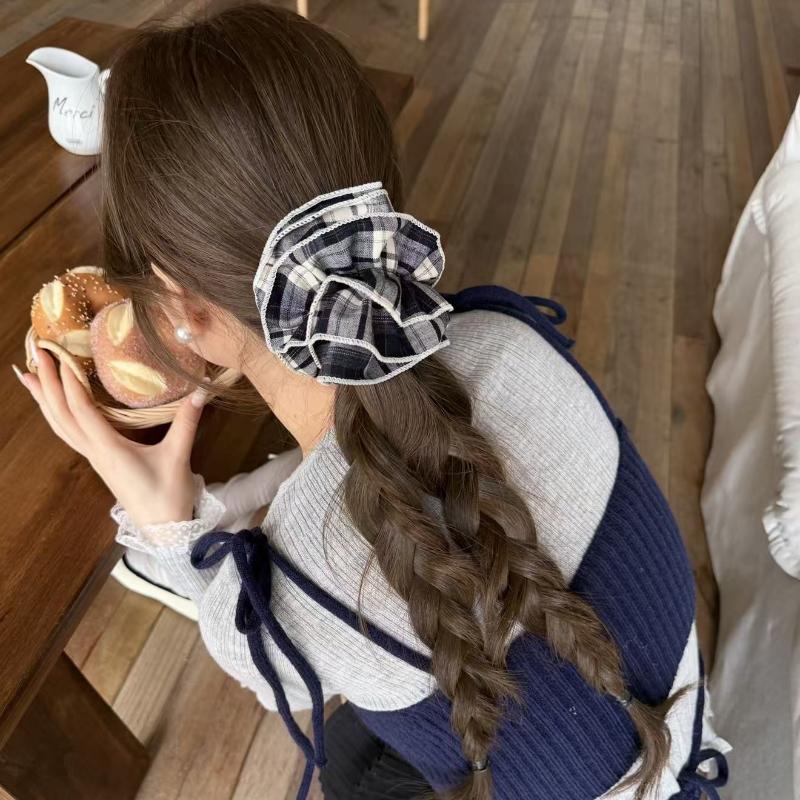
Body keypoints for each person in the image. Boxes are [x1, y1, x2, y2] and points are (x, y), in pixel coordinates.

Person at [13, 4, 730, 799]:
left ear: (185, 311)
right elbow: (386, 457)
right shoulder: (507, 337)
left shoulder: (300, 589)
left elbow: (266, 645)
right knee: (361, 750)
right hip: (676, 725)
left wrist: (168, 529)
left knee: (348, 770)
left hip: (556, 758)